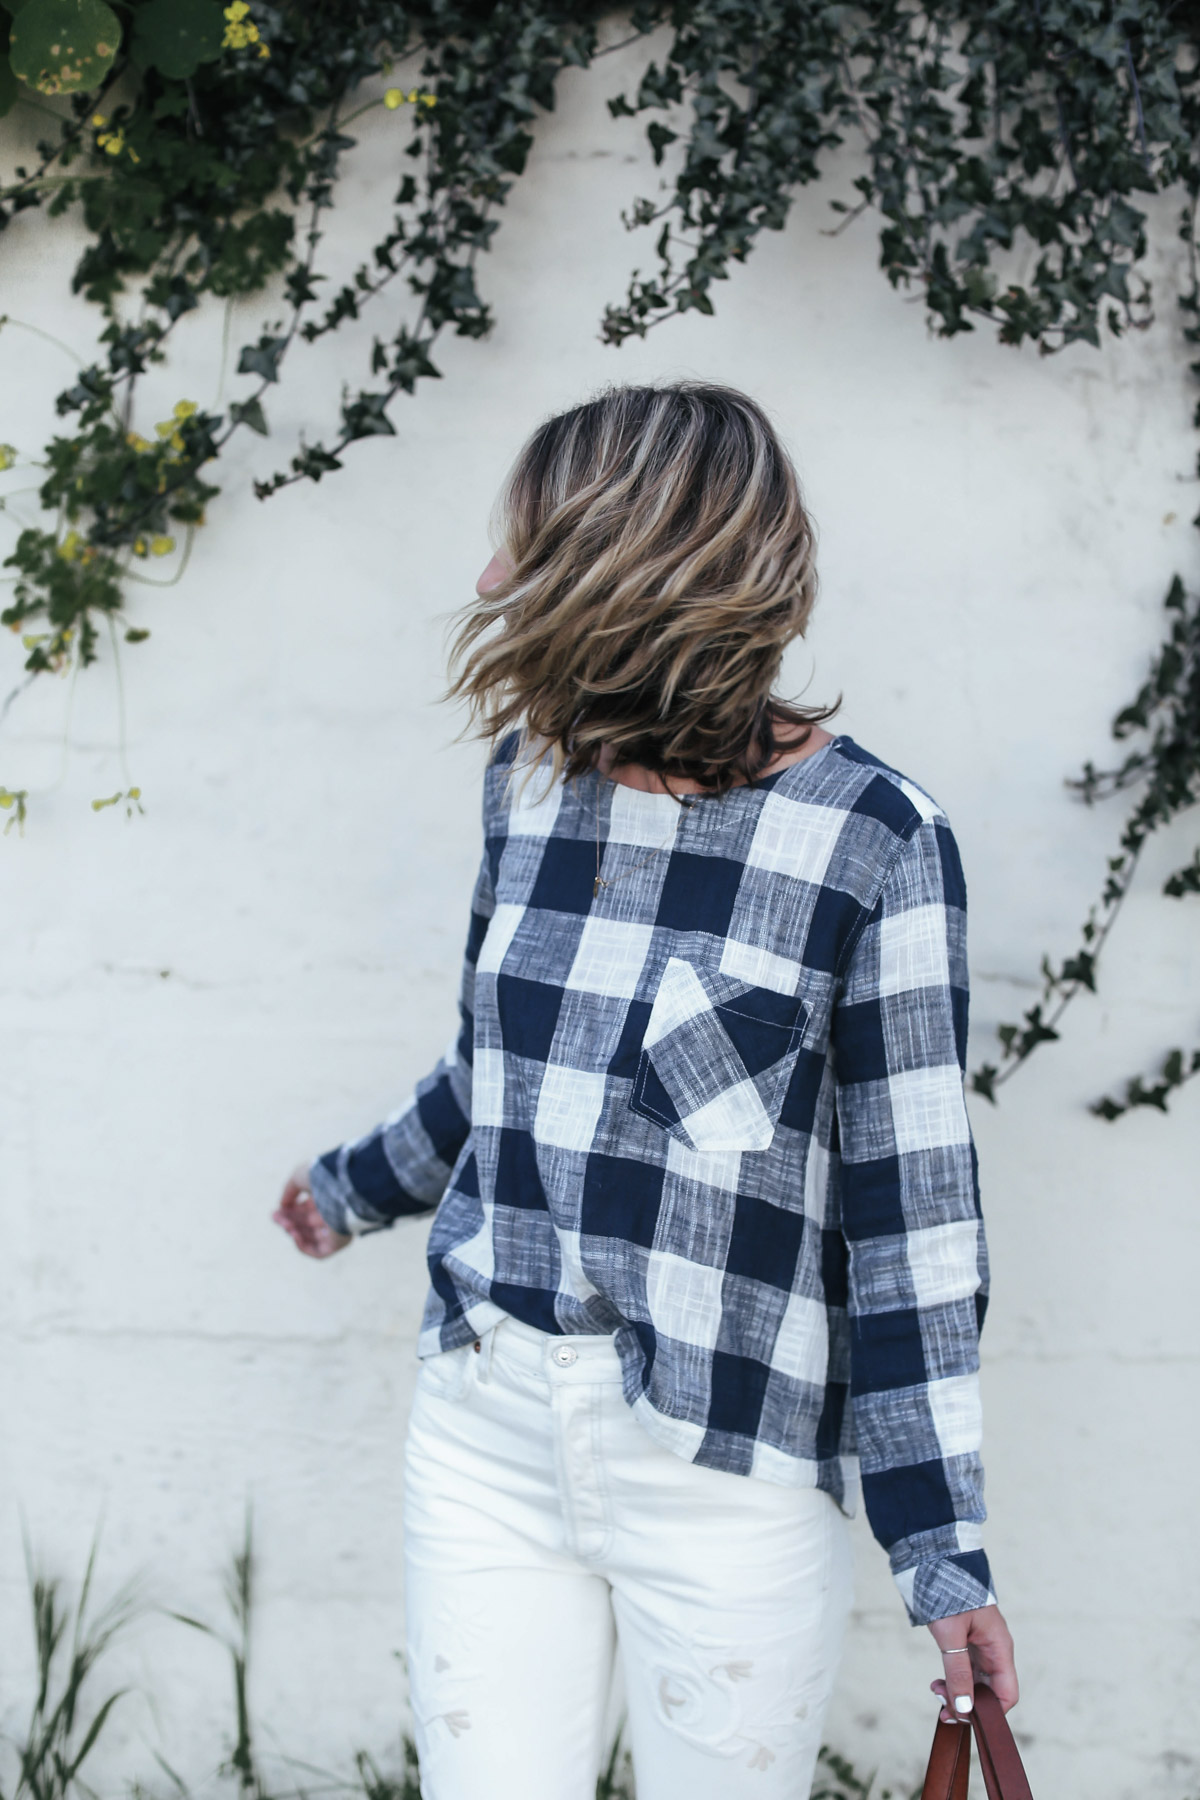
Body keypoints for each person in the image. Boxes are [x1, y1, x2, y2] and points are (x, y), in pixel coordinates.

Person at [274, 382, 1018, 1800]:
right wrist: (350, 1186)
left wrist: (943, 1550)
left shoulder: (874, 842)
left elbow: (910, 1223)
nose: (491, 581)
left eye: (527, 546)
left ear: (631, 572)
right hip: (485, 1423)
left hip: (722, 1467)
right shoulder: (528, 783)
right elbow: (498, 1071)